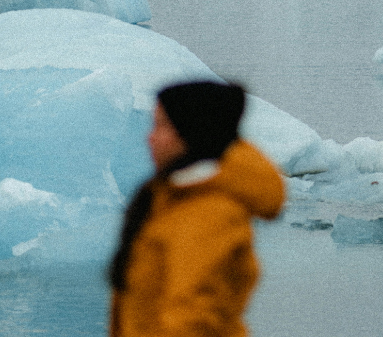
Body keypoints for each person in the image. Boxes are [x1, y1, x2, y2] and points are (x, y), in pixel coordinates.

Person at [109, 81, 285, 337]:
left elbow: (193, 316)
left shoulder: (209, 212)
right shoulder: (172, 200)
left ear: (193, 131)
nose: (150, 137)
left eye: (162, 126)